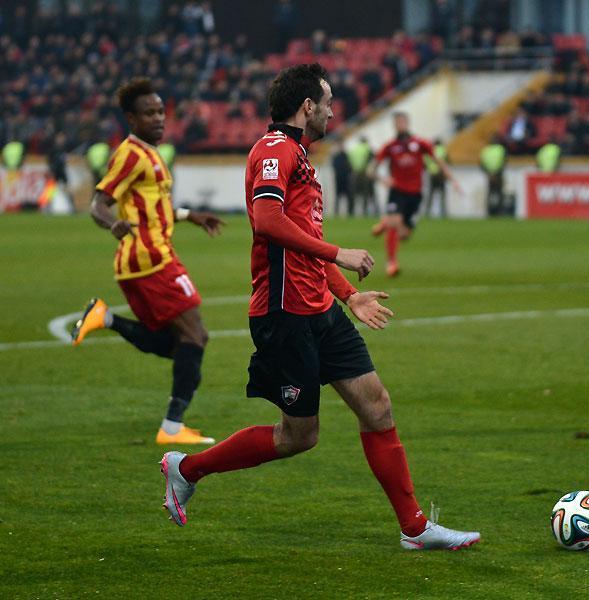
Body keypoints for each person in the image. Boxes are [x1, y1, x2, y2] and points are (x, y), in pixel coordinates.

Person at [159, 64, 480, 551]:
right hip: (284, 314)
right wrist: (340, 253)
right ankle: (187, 469)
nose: (332, 112)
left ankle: (415, 528)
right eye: (328, 102)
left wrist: (348, 295)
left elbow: (304, 244)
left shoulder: (300, 155)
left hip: (321, 310)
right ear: (307, 106)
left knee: (377, 406)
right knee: (299, 436)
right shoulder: (274, 150)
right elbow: (268, 222)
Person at [71, 78, 225, 444]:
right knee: (195, 336)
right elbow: (98, 203)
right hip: (150, 259)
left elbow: (155, 206)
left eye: (160, 112)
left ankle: (105, 317)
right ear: (131, 118)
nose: (158, 119)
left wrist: (189, 215)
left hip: (146, 259)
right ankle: (171, 427)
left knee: (179, 343)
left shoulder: (151, 153)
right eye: (148, 113)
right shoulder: (129, 154)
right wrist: (112, 224)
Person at [369, 112, 461, 276]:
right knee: (395, 223)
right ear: (394, 125)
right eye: (397, 122)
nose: (400, 125)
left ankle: (384, 223)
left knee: (404, 235)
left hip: (415, 194)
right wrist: (382, 179)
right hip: (397, 191)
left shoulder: (420, 143)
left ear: (407, 123)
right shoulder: (390, 146)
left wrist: (453, 180)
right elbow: (371, 170)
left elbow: (438, 161)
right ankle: (392, 263)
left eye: (402, 122)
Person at [348, 136, 377, 216]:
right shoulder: (367, 148)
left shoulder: (354, 149)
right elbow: (373, 159)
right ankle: (365, 210)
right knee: (366, 193)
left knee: (353, 194)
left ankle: (351, 211)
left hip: (355, 173)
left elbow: (349, 161)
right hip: (365, 174)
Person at [480, 134, 507, 216]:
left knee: (490, 193)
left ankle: (489, 212)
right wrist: (496, 172)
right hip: (498, 174)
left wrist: (489, 173)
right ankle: (500, 211)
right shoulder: (501, 149)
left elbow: (481, 163)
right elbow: (504, 161)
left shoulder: (486, 150)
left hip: (489, 175)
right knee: (500, 193)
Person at [422, 138, 449, 217]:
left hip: (432, 174)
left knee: (431, 195)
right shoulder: (443, 149)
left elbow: (425, 162)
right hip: (441, 174)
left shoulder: (431, 150)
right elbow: (447, 160)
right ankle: (444, 212)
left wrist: (429, 168)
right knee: (442, 195)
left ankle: (427, 212)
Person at [331, 140, 354, 216]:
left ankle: (350, 212)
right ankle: (336, 212)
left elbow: (350, 167)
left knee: (348, 196)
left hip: (345, 179)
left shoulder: (345, 156)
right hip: (339, 179)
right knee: (338, 197)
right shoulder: (336, 157)